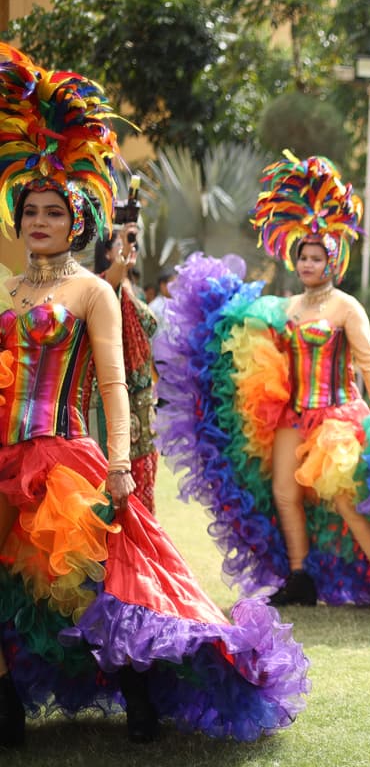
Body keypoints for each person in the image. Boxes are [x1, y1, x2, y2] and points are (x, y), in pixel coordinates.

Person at [0, 44, 309, 747]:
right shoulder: (8, 289)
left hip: (60, 460)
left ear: (77, 220)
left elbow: (112, 385)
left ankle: (138, 689)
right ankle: (7, 704)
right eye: (31, 210)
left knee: (101, 584)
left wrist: (116, 462)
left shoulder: (89, 291)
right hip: (3, 456)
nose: (40, 221)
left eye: (54, 210)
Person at [248, 153, 370, 612]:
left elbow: (367, 360)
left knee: (343, 498)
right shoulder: (287, 307)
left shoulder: (346, 306)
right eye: (303, 257)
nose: (308, 264)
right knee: (284, 492)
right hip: (293, 415)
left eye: (317, 257)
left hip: (336, 416)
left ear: (333, 261)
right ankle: (300, 578)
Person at [88, 220, 160, 512]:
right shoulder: (103, 286)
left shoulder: (135, 290)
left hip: (142, 403)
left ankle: (136, 554)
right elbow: (114, 275)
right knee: (115, 492)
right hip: (115, 400)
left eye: (132, 245)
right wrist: (123, 251)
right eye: (120, 244)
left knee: (144, 485)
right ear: (107, 253)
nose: (130, 250)